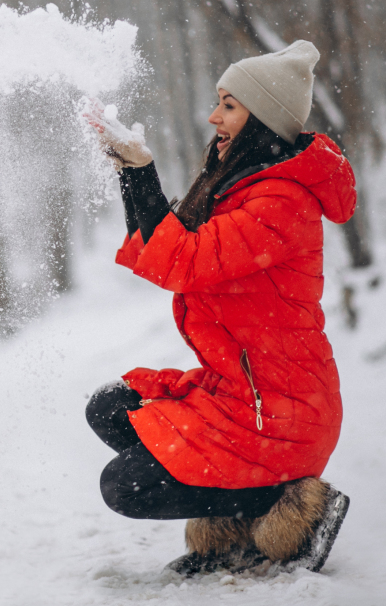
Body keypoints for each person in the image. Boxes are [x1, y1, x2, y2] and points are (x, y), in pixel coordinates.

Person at [80, 40, 354, 576]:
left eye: (229, 104)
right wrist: (130, 173)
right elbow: (169, 244)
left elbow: (181, 261)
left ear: (264, 118)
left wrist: (142, 170)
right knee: (110, 407)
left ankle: (288, 505)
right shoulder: (240, 187)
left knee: (125, 487)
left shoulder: (280, 202)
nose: (214, 117)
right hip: (240, 393)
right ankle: (237, 523)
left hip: (282, 414)